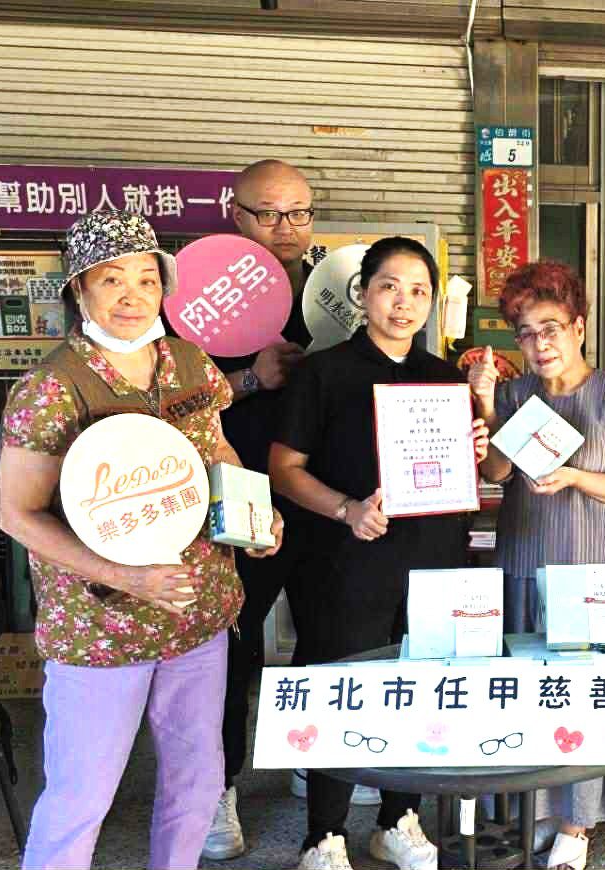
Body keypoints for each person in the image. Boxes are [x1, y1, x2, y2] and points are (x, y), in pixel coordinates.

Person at [0, 210, 283, 870]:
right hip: (102, 628)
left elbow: (218, 452)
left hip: (197, 615)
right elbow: (16, 513)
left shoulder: (188, 362)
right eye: (112, 280)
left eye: (147, 280)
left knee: (197, 780)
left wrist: (254, 517)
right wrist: (126, 576)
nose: (132, 296)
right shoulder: (51, 388)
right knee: (81, 797)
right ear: (78, 289)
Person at [269, 237, 491, 870]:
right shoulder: (323, 372)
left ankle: (398, 819)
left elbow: (476, 471)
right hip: (347, 563)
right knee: (343, 689)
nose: (403, 302)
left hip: (435, 559)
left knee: (421, 686)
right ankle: (323, 835)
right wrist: (346, 509)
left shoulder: (445, 378)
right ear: (363, 293)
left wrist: (475, 443)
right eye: (390, 286)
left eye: (419, 291)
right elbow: (284, 468)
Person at [469, 261, 605, 870]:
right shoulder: (513, 395)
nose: (540, 344)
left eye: (550, 328)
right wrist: (484, 408)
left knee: (588, 697)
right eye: (526, 333)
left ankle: (579, 823)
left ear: (578, 327)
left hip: (597, 571)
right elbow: (497, 472)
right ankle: (539, 809)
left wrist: (575, 475)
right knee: (532, 692)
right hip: (527, 561)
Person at [203, 158, 343, 862]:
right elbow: (169, 402)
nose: (285, 227)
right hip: (239, 496)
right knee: (233, 644)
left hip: (322, 494)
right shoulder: (200, 297)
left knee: (326, 635)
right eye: (267, 213)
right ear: (235, 215)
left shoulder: (339, 290)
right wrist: (249, 380)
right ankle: (218, 786)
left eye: (299, 212)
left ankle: (311, 763)